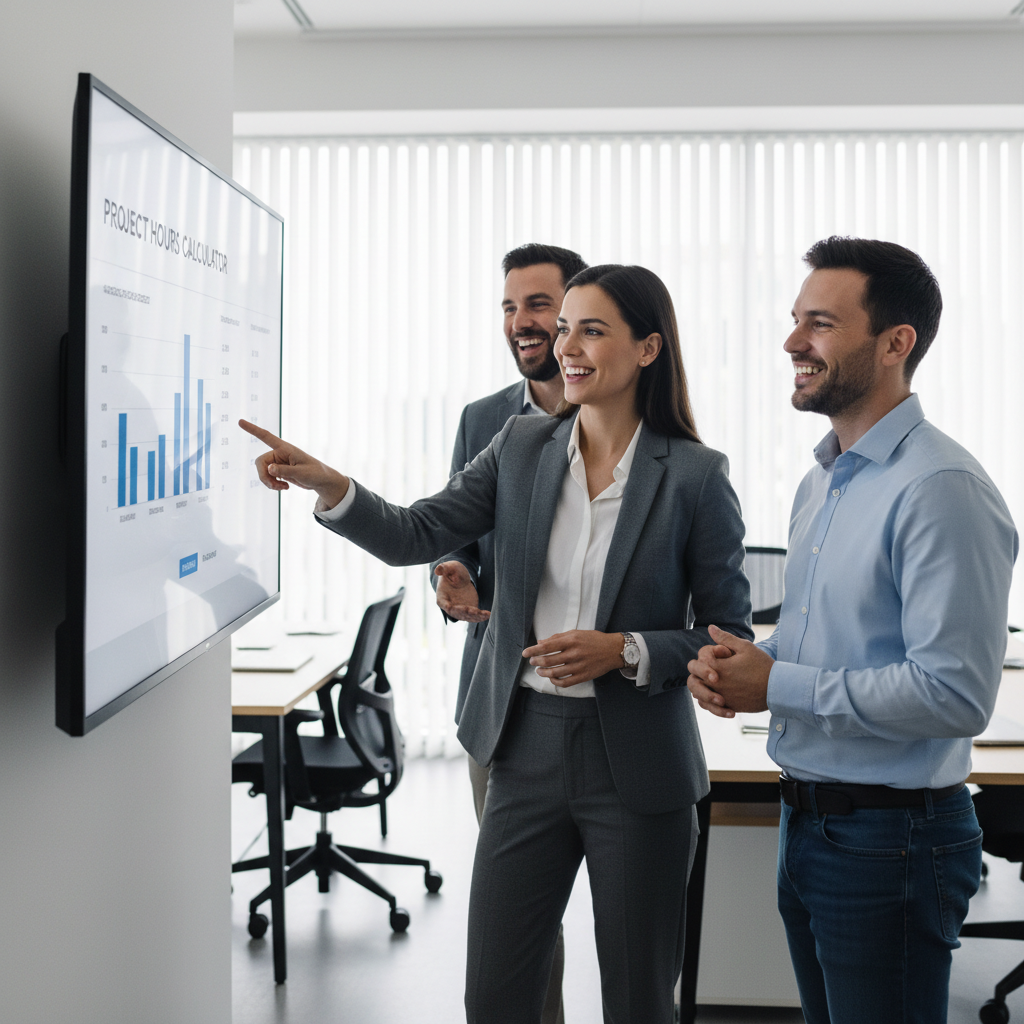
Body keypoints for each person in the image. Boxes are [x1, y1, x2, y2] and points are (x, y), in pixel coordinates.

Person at [241, 263, 752, 1024]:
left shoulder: (696, 477)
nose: (565, 343)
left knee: (641, 999)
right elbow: (418, 530)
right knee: (497, 996)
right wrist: (332, 487)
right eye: (565, 326)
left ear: (648, 349)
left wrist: (628, 650)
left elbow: (726, 637)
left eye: (591, 329)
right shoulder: (520, 444)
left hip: (639, 765)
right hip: (524, 751)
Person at [686, 236, 1019, 1024]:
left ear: (895, 343)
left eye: (822, 324)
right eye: (796, 320)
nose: (793, 342)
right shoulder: (822, 481)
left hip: (891, 842)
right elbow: (828, 648)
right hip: (809, 824)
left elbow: (954, 695)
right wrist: (752, 666)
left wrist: (777, 684)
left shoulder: (942, 487)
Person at [431, 242, 587, 1024]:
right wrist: (450, 572)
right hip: (500, 703)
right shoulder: (484, 420)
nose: (521, 322)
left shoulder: (631, 419)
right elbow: (453, 527)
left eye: (537, 305)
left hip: (606, 711)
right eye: (509, 306)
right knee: (522, 921)